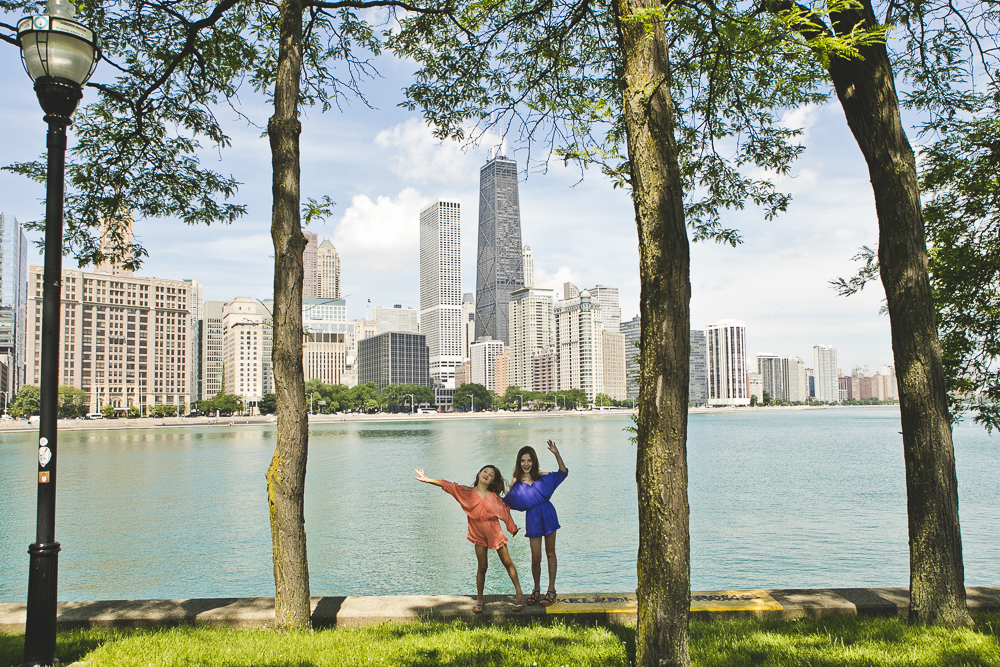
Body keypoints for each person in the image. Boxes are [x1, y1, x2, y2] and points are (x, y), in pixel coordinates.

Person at [415, 465, 524, 613]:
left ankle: (519, 593)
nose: (487, 474)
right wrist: (427, 480)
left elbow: (504, 513)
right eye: (485, 471)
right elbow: (447, 485)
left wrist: (512, 527)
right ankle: (479, 599)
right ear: (479, 473)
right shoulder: (466, 492)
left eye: (491, 474)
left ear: (492, 481)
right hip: (476, 530)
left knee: (507, 562)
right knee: (482, 566)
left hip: (493, 530)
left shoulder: (494, 497)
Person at [504, 440, 567, 607]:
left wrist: (556, 453)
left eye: (529, 460)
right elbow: (505, 503)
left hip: (548, 513)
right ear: (519, 462)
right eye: (523, 460)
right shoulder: (516, 485)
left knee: (551, 553)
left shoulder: (543, 477)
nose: (526, 464)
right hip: (533, 518)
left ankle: (551, 590)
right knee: (536, 557)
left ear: (534, 461)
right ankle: (536, 588)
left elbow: (563, 472)